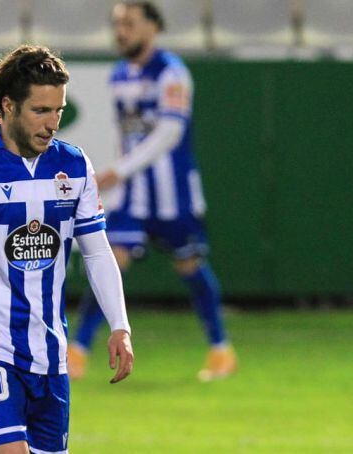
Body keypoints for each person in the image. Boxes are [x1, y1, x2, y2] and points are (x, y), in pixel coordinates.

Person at [0, 45, 134, 454]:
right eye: (40, 111)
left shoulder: (75, 166)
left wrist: (120, 325)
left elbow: (98, 251)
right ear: (8, 106)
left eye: (58, 112)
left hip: (50, 356)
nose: (52, 124)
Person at [68, 0, 237, 382]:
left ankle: (221, 349)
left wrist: (119, 170)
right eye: (116, 23)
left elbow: (170, 132)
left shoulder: (172, 73)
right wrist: (119, 175)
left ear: (152, 26)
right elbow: (127, 134)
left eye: (129, 23)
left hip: (173, 193)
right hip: (133, 195)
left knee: (190, 266)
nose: (121, 31)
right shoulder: (119, 75)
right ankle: (76, 351)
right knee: (111, 260)